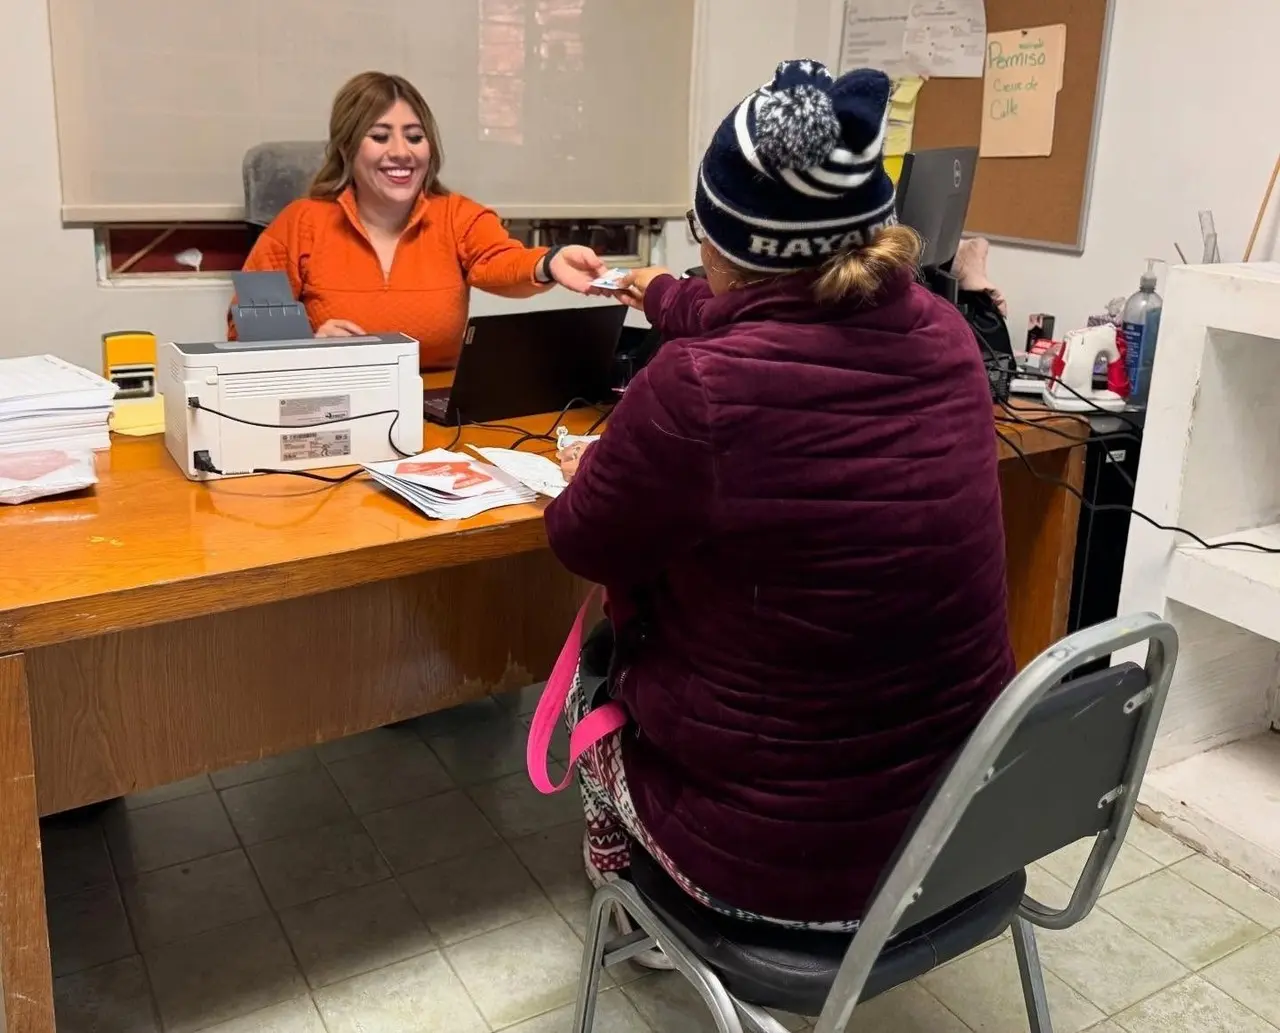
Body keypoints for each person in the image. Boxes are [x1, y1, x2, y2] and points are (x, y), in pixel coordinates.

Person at [544, 60, 1014, 936]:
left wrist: (590, 473)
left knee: (587, 698)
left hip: (778, 875)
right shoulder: (948, 335)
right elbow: (777, 315)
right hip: (955, 842)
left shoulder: (698, 392)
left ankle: (633, 923)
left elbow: (581, 539)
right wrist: (656, 291)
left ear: (728, 245)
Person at [236, 71, 607, 369]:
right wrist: (309, 345)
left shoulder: (458, 216)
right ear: (348, 147)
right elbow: (246, 331)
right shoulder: (299, 224)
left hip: (437, 404)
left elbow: (500, 260)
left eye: (415, 137)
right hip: (332, 398)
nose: (401, 152)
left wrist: (550, 261)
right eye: (380, 137)